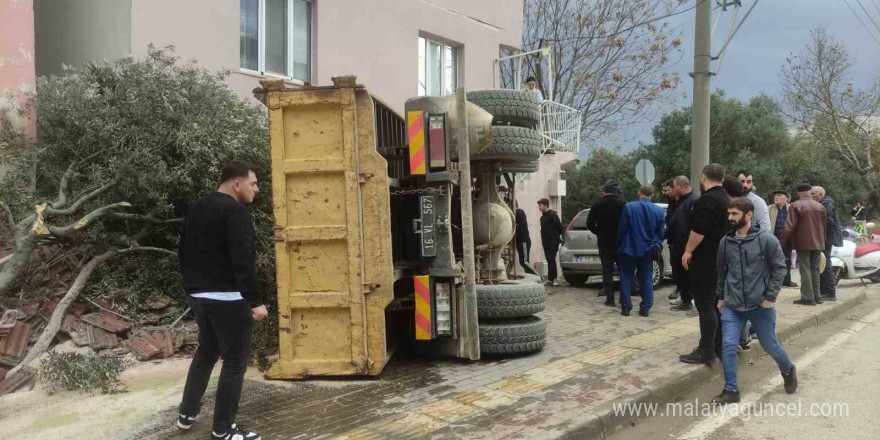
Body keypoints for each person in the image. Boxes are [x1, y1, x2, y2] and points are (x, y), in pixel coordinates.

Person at [178, 160, 266, 440]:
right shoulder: (235, 212)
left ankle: (187, 413)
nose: (256, 189)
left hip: (199, 295)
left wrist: (192, 288)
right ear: (236, 184)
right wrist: (254, 301)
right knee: (235, 363)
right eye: (253, 184)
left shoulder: (195, 207)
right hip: (228, 298)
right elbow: (243, 261)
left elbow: (183, 252)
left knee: (206, 352)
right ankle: (224, 430)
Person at [712, 198, 798, 404]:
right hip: (733, 304)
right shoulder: (726, 242)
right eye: (729, 214)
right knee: (728, 345)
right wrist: (721, 297)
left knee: (770, 346)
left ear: (749, 215)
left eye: (734, 214)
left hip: (760, 305)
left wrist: (770, 298)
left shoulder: (766, 240)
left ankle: (788, 369)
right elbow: (722, 271)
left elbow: (780, 269)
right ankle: (731, 390)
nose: (730, 218)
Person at [679, 164, 730, 365]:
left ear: (703, 178)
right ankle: (719, 346)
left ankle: (706, 350)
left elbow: (699, 231)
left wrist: (688, 251)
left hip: (706, 260)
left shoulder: (707, 200)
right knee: (718, 304)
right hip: (723, 258)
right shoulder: (727, 199)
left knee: (705, 304)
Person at [616, 185, 665, 317]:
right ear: (652, 194)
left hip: (629, 248)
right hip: (648, 249)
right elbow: (660, 232)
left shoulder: (629, 207)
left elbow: (622, 228)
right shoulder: (658, 211)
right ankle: (645, 308)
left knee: (626, 278)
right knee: (646, 279)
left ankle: (626, 308)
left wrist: (619, 243)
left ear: (639, 192)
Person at [780, 183, 827, 306]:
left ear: (798, 194)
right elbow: (824, 226)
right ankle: (817, 296)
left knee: (805, 269)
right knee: (815, 269)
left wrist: (781, 243)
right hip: (818, 242)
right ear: (810, 192)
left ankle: (807, 297)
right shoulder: (820, 206)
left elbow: (789, 226)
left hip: (803, 242)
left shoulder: (795, 205)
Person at [586, 180, 626, 307]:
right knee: (623, 271)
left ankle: (610, 299)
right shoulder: (624, 205)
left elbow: (590, 224)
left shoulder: (597, 205)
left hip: (604, 243)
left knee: (607, 272)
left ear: (604, 192)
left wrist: (599, 232)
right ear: (617, 192)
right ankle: (623, 298)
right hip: (621, 243)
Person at [667, 176, 699, 313]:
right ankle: (686, 300)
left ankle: (695, 303)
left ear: (680, 186)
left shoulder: (694, 200)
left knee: (691, 275)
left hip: (686, 245)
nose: (673, 190)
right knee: (678, 274)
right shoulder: (679, 201)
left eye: (674, 187)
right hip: (676, 244)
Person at [811, 186, 843, 301]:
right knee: (823, 263)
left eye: (813, 193)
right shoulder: (825, 203)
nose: (811, 196)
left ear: (820, 194)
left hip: (825, 239)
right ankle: (823, 290)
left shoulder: (826, 204)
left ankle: (829, 292)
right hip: (824, 238)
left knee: (825, 264)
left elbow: (828, 222)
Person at [769, 190, 797, 287]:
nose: (776, 197)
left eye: (779, 195)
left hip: (787, 236)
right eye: (775, 195)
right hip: (773, 235)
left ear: (786, 198)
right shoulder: (769, 208)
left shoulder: (792, 208)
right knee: (773, 258)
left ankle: (787, 280)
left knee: (787, 258)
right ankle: (773, 280)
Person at [538, 198, 564, 286]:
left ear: (545, 205)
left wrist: (555, 236)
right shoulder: (542, 217)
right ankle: (550, 279)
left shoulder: (553, 215)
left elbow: (560, 227)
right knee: (549, 259)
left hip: (553, 241)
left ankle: (555, 278)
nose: (539, 207)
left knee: (552, 259)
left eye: (540, 205)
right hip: (545, 242)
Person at [515, 203, 537, 275]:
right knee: (522, 262)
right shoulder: (516, 212)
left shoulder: (519, 212)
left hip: (523, 241)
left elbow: (522, 226)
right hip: (519, 241)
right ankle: (531, 277)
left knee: (525, 262)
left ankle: (537, 276)